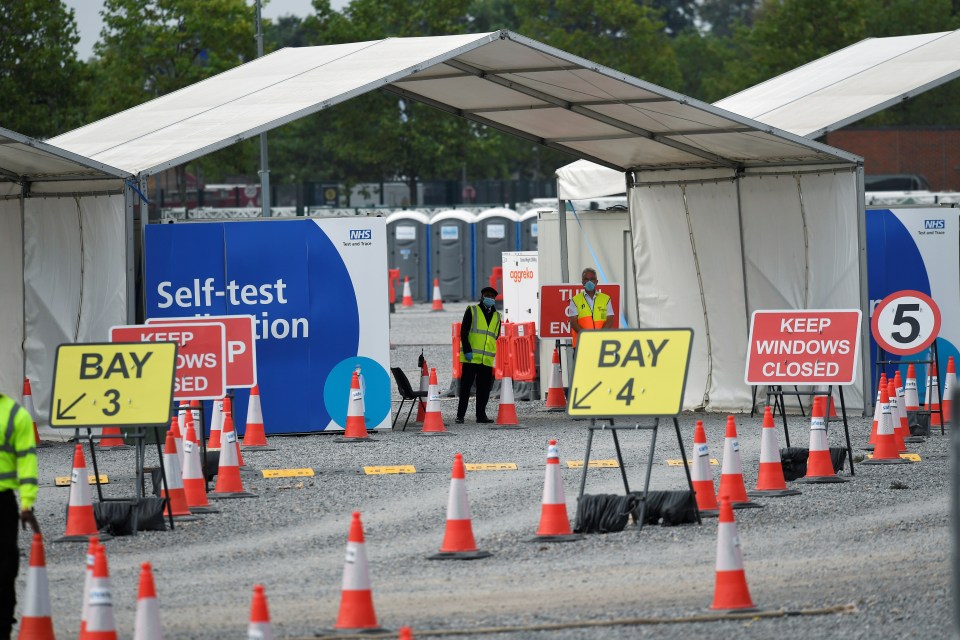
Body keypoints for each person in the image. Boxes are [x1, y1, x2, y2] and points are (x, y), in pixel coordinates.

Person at [1, 391, 40, 640]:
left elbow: (26, 462)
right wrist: (26, 504)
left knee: (5, 568)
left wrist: (27, 503)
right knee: (5, 568)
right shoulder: (16, 414)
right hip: (3, 505)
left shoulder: (16, 415)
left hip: (3, 501)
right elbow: (26, 462)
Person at [456, 286, 502, 424]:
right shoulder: (472, 310)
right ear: (482, 296)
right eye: (488, 295)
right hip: (471, 358)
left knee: (484, 389)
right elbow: (464, 332)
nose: (490, 298)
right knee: (465, 388)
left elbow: (495, 335)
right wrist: (467, 350)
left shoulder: (497, 316)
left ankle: (481, 416)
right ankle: (460, 415)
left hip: (486, 359)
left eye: (493, 296)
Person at [567, 267, 614, 349]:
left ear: (596, 282)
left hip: (602, 343)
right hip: (582, 344)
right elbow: (573, 323)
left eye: (592, 279)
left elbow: (610, 319)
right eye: (586, 279)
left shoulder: (605, 299)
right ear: (582, 282)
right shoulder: (575, 300)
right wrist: (587, 337)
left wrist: (599, 336)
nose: (589, 281)